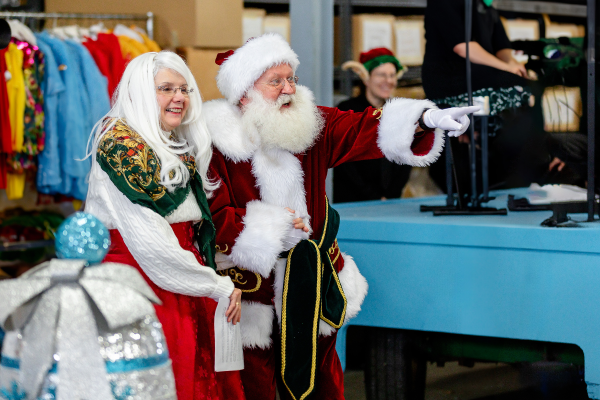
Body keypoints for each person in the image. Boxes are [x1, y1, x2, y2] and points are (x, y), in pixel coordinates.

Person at [204, 33, 477, 400]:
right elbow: (212, 217)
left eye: (291, 79)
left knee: (324, 386)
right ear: (244, 92)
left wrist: (424, 118)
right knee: (256, 387)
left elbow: (363, 126)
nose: (289, 90)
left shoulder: (312, 124)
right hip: (254, 293)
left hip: (314, 285)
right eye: (276, 82)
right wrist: (272, 230)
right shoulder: (216, 143)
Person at [84, 51, 244, 400]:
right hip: (145, 290)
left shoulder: (173, 145)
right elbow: (151, 243)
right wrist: (214, 285)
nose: (179, 97)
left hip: (181, 282)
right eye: (166, 88)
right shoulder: (121, 149)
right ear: (140, 92)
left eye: (184, 89)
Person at [423, 0, 562, 191]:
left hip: (481, 73)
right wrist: (507, 68)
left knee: (530, 85)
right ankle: (521, 168)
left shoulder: (486, 6)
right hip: (450, 76)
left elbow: (502, 47)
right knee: (518, 87)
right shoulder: (444, 3)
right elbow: (462, 47)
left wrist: (515, 66)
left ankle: (534, 162)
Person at [334, 47, 412, 203]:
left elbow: (406, 157)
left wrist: (391, 195)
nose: (388, 81)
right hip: (353, 202)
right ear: (366, 78)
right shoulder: (347, 110)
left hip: (390, 203)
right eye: (381, 75)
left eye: (392, 75)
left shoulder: (399, 112)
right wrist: (373, 196)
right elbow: (344, 162)